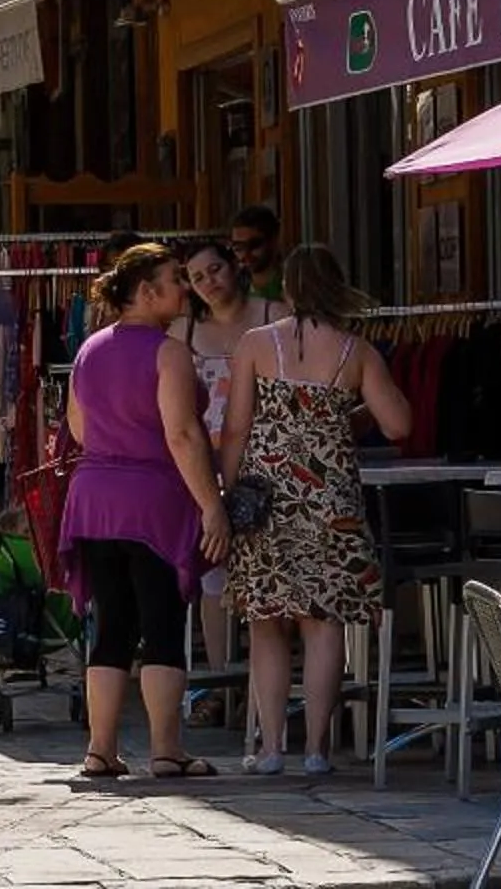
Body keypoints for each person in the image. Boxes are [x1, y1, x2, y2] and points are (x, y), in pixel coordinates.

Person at [221, 242, 412, 778]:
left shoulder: (256, 344)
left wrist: (227, 495)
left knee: (267, 623)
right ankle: (317, 750)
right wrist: (348, 416)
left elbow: (236, 427)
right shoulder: (357, 352)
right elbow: (399, 424)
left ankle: (272, 748)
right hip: (332, 502)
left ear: (288, 288)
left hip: (266, 501)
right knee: (323, 624)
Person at [59, 242, 228, 782]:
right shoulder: (169, 353)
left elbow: (79, 428)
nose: (184, 288)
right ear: (147, 292)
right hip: (153, 501)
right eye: (175, 279)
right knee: (161, 621)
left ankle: (100, 749)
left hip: (94, 500)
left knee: (111, 624)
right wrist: (212, 505)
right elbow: (182, 435)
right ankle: (166, 749)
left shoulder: (89, 349)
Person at [175, 237, 271, 692]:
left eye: (214, 270)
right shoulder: (183, 332)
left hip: (270, 462)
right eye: (197, 277)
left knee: (269, 572)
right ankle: (220, 682)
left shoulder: (275, 316)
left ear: (234, 266)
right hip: (206, 464)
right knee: (214, 571)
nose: (208, 282)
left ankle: (264, 685)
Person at [229, 205, 284, 303]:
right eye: (238, 247)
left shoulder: (293, 283)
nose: (246, 254)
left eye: (254, 245)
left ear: (273, 241)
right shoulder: (233, 287)